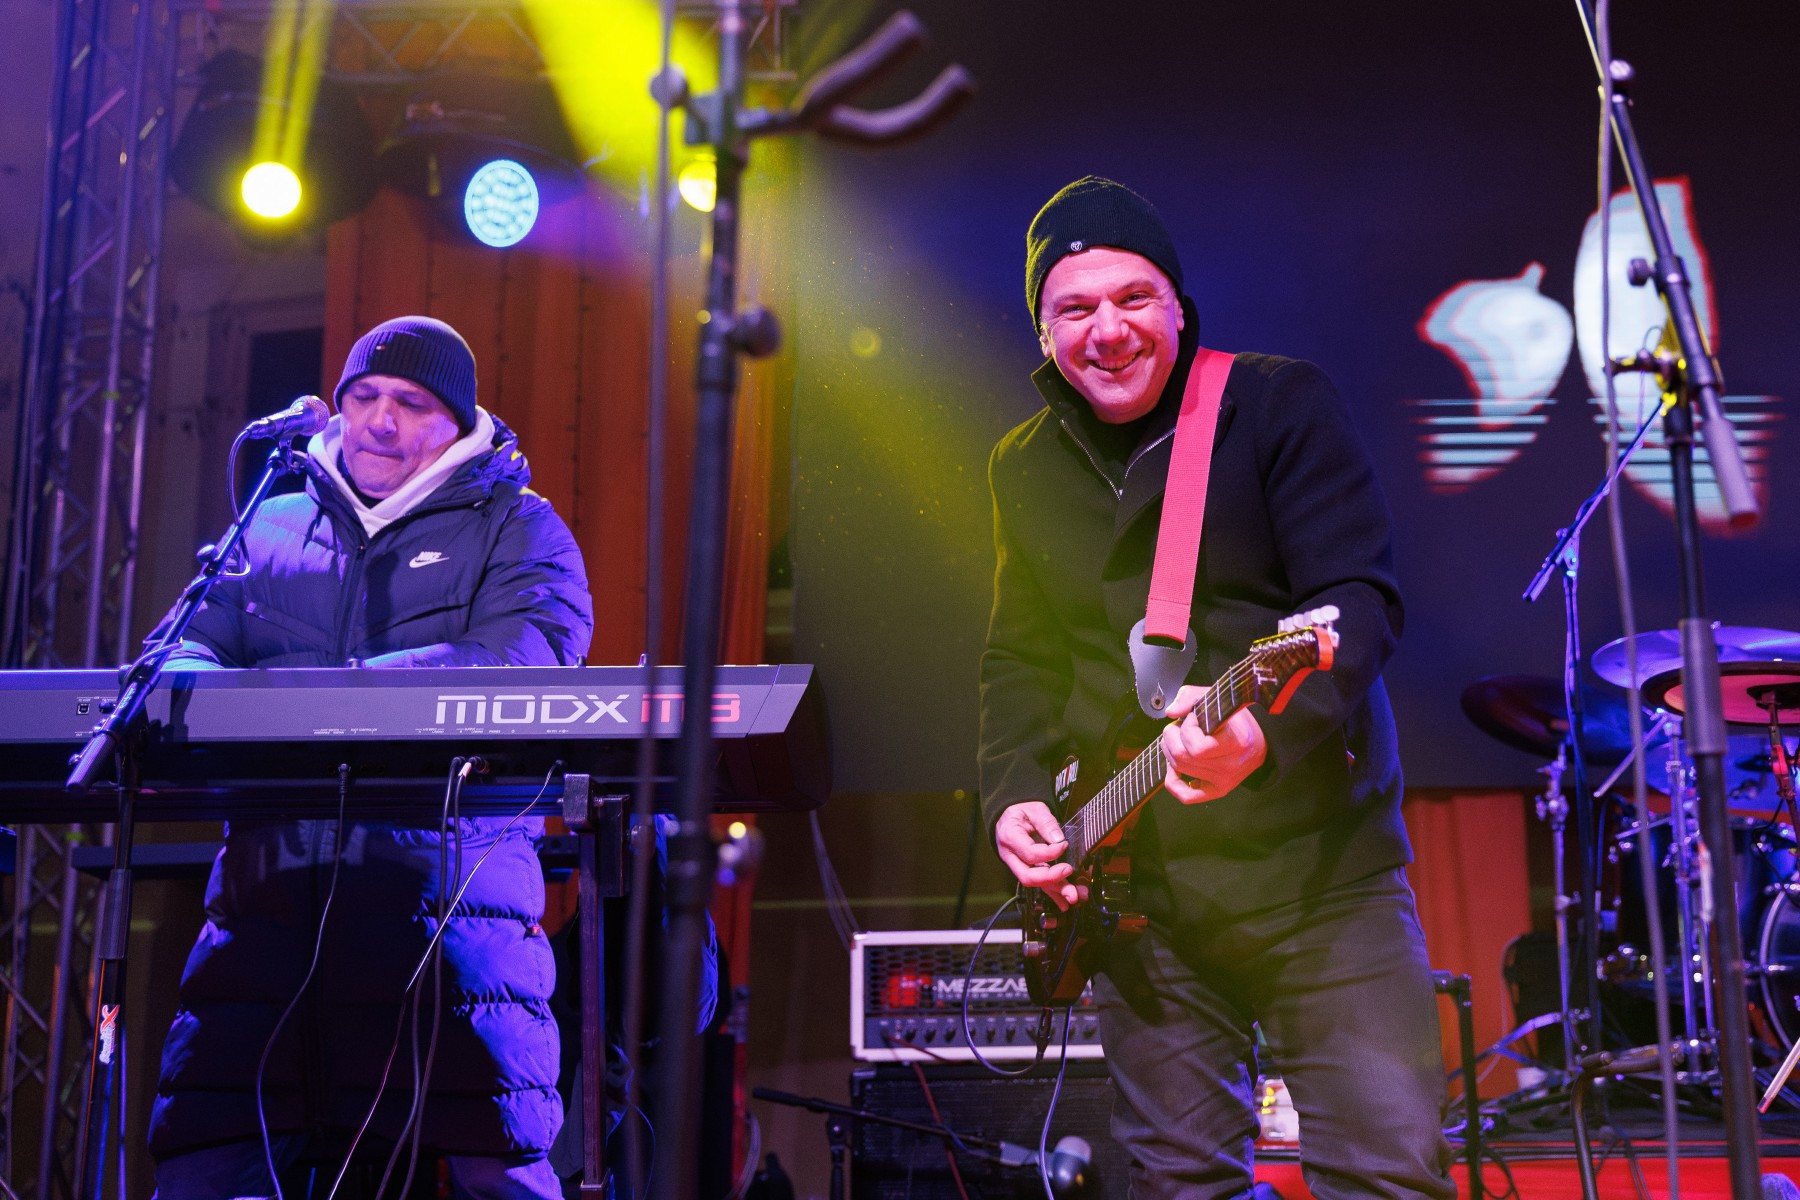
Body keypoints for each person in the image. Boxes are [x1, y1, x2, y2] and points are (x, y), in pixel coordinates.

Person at [980, 177, 1455, 1199]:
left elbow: (1357, 600)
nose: (1109, 330)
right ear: (1043, 331)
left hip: (1322, 874)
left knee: (1385, 1175)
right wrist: (1012, 793)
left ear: (1178, 305)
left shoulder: (1275, 405)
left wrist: (1264, 737)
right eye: (1076, 308)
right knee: (1179, 1185)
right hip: (1139, 895)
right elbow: (1020, 659)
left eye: (1134, 298)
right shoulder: (1021, 465)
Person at [148, 316, 593, 1199]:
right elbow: (177, 656)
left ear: (457, 421)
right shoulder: (269, 524)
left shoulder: (519, 528)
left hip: (452, 926)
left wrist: (334, 695)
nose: (380, 420)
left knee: (495, 1169)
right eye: (363, 396)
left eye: (411, 402)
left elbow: (526, 657)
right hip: (264, 922)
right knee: (208, 1168)